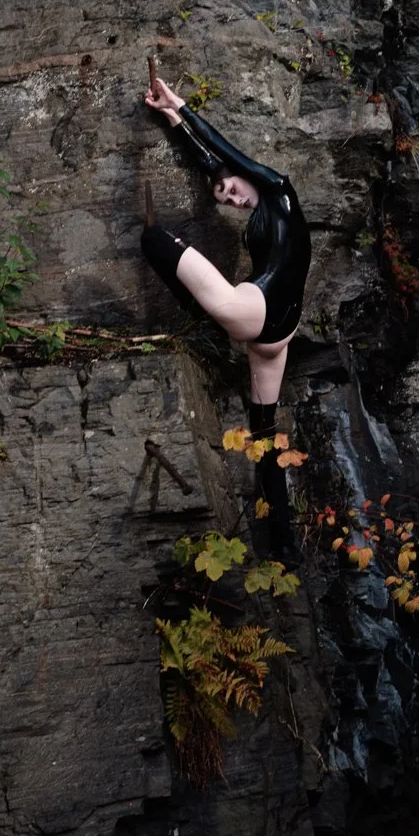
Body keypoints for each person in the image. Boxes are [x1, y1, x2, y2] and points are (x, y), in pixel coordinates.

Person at [141, 72, 311, 561]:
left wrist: (182, 105)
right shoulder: (262, 211)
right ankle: (284, 544)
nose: (234, 199)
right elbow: (214, 166)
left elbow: (230, 156)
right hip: (267, 328)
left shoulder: (279, 191)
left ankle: (284, 542)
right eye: (226, 200)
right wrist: (172, 121)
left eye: (232, 191)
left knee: (153, 241)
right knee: (264, 435)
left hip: (262, 327)